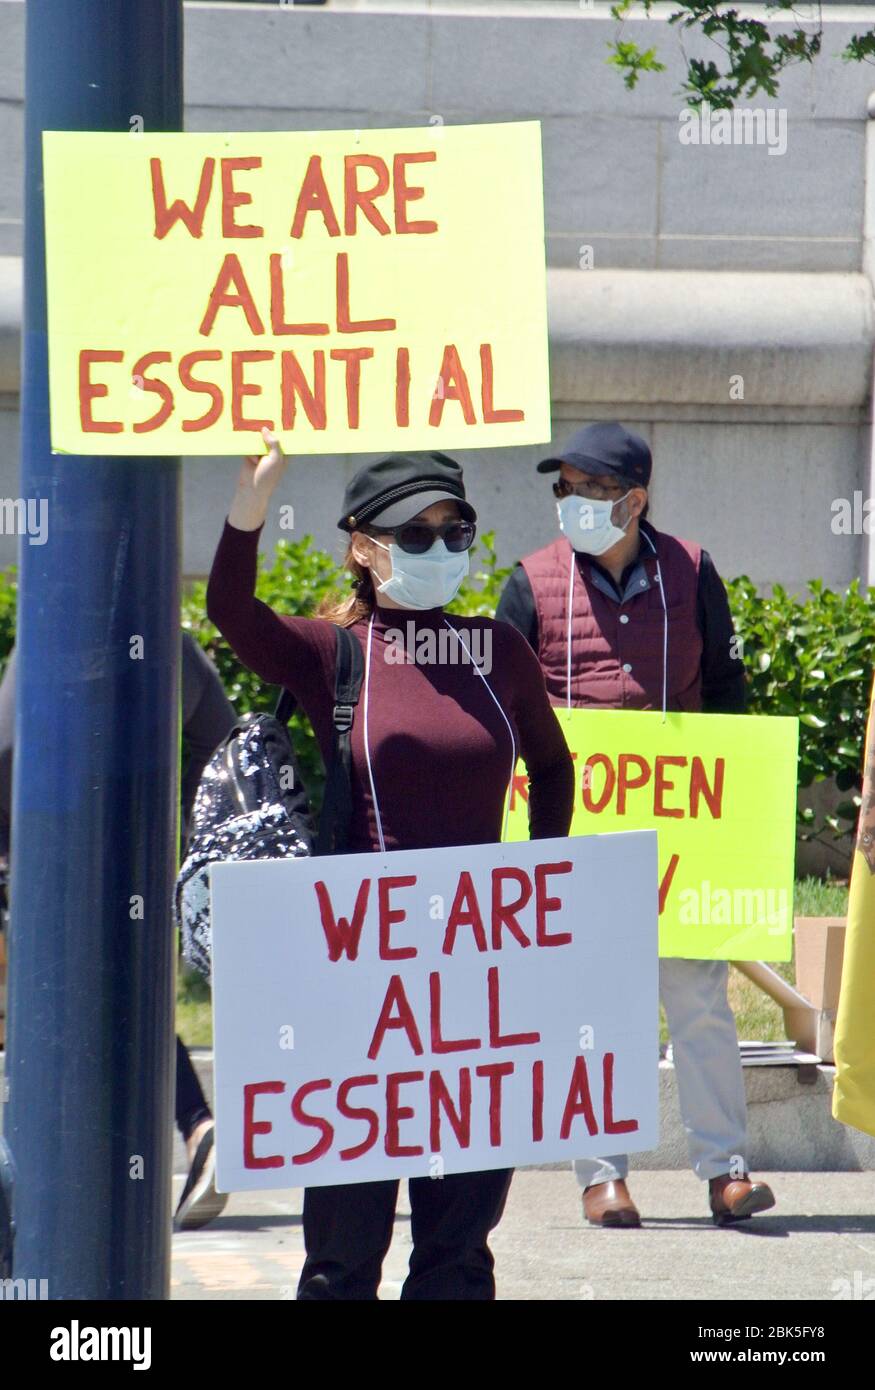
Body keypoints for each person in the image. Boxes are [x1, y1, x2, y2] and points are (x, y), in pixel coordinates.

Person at [206, 429, 574, 1300]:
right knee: (342, 1253)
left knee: (458, 1252)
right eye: (416, 535)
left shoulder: (495, 652)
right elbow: (230, 611)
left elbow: (552, 767)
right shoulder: (334, 654)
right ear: (365, 549)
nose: (441, 551)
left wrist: (538, 889)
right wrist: (251, 503)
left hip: (475, 989)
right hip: (356, 994)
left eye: (456, 533)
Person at [496, 421, 776, 1229]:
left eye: (587, 490)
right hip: (575, 825)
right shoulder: (530, 583)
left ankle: (725, 1170)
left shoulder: (693, 571)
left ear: (634, 499)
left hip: (679, 836)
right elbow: (502, 702)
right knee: (594, 999)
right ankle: (599, 1175)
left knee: (696, 996)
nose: (570, 503)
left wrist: (732, 805)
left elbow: (725, 689)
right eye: (564, 489)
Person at [0, 635, 236, 1232]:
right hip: (140, 845)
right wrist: (179, 828)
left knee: (66, 1001)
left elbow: (4, 746)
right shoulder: (169, 639)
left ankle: (63, 1175)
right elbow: (223, 736)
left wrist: (18, 837)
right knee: (125, 994)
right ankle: (195, 1128)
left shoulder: (58, 625)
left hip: (51, 839)